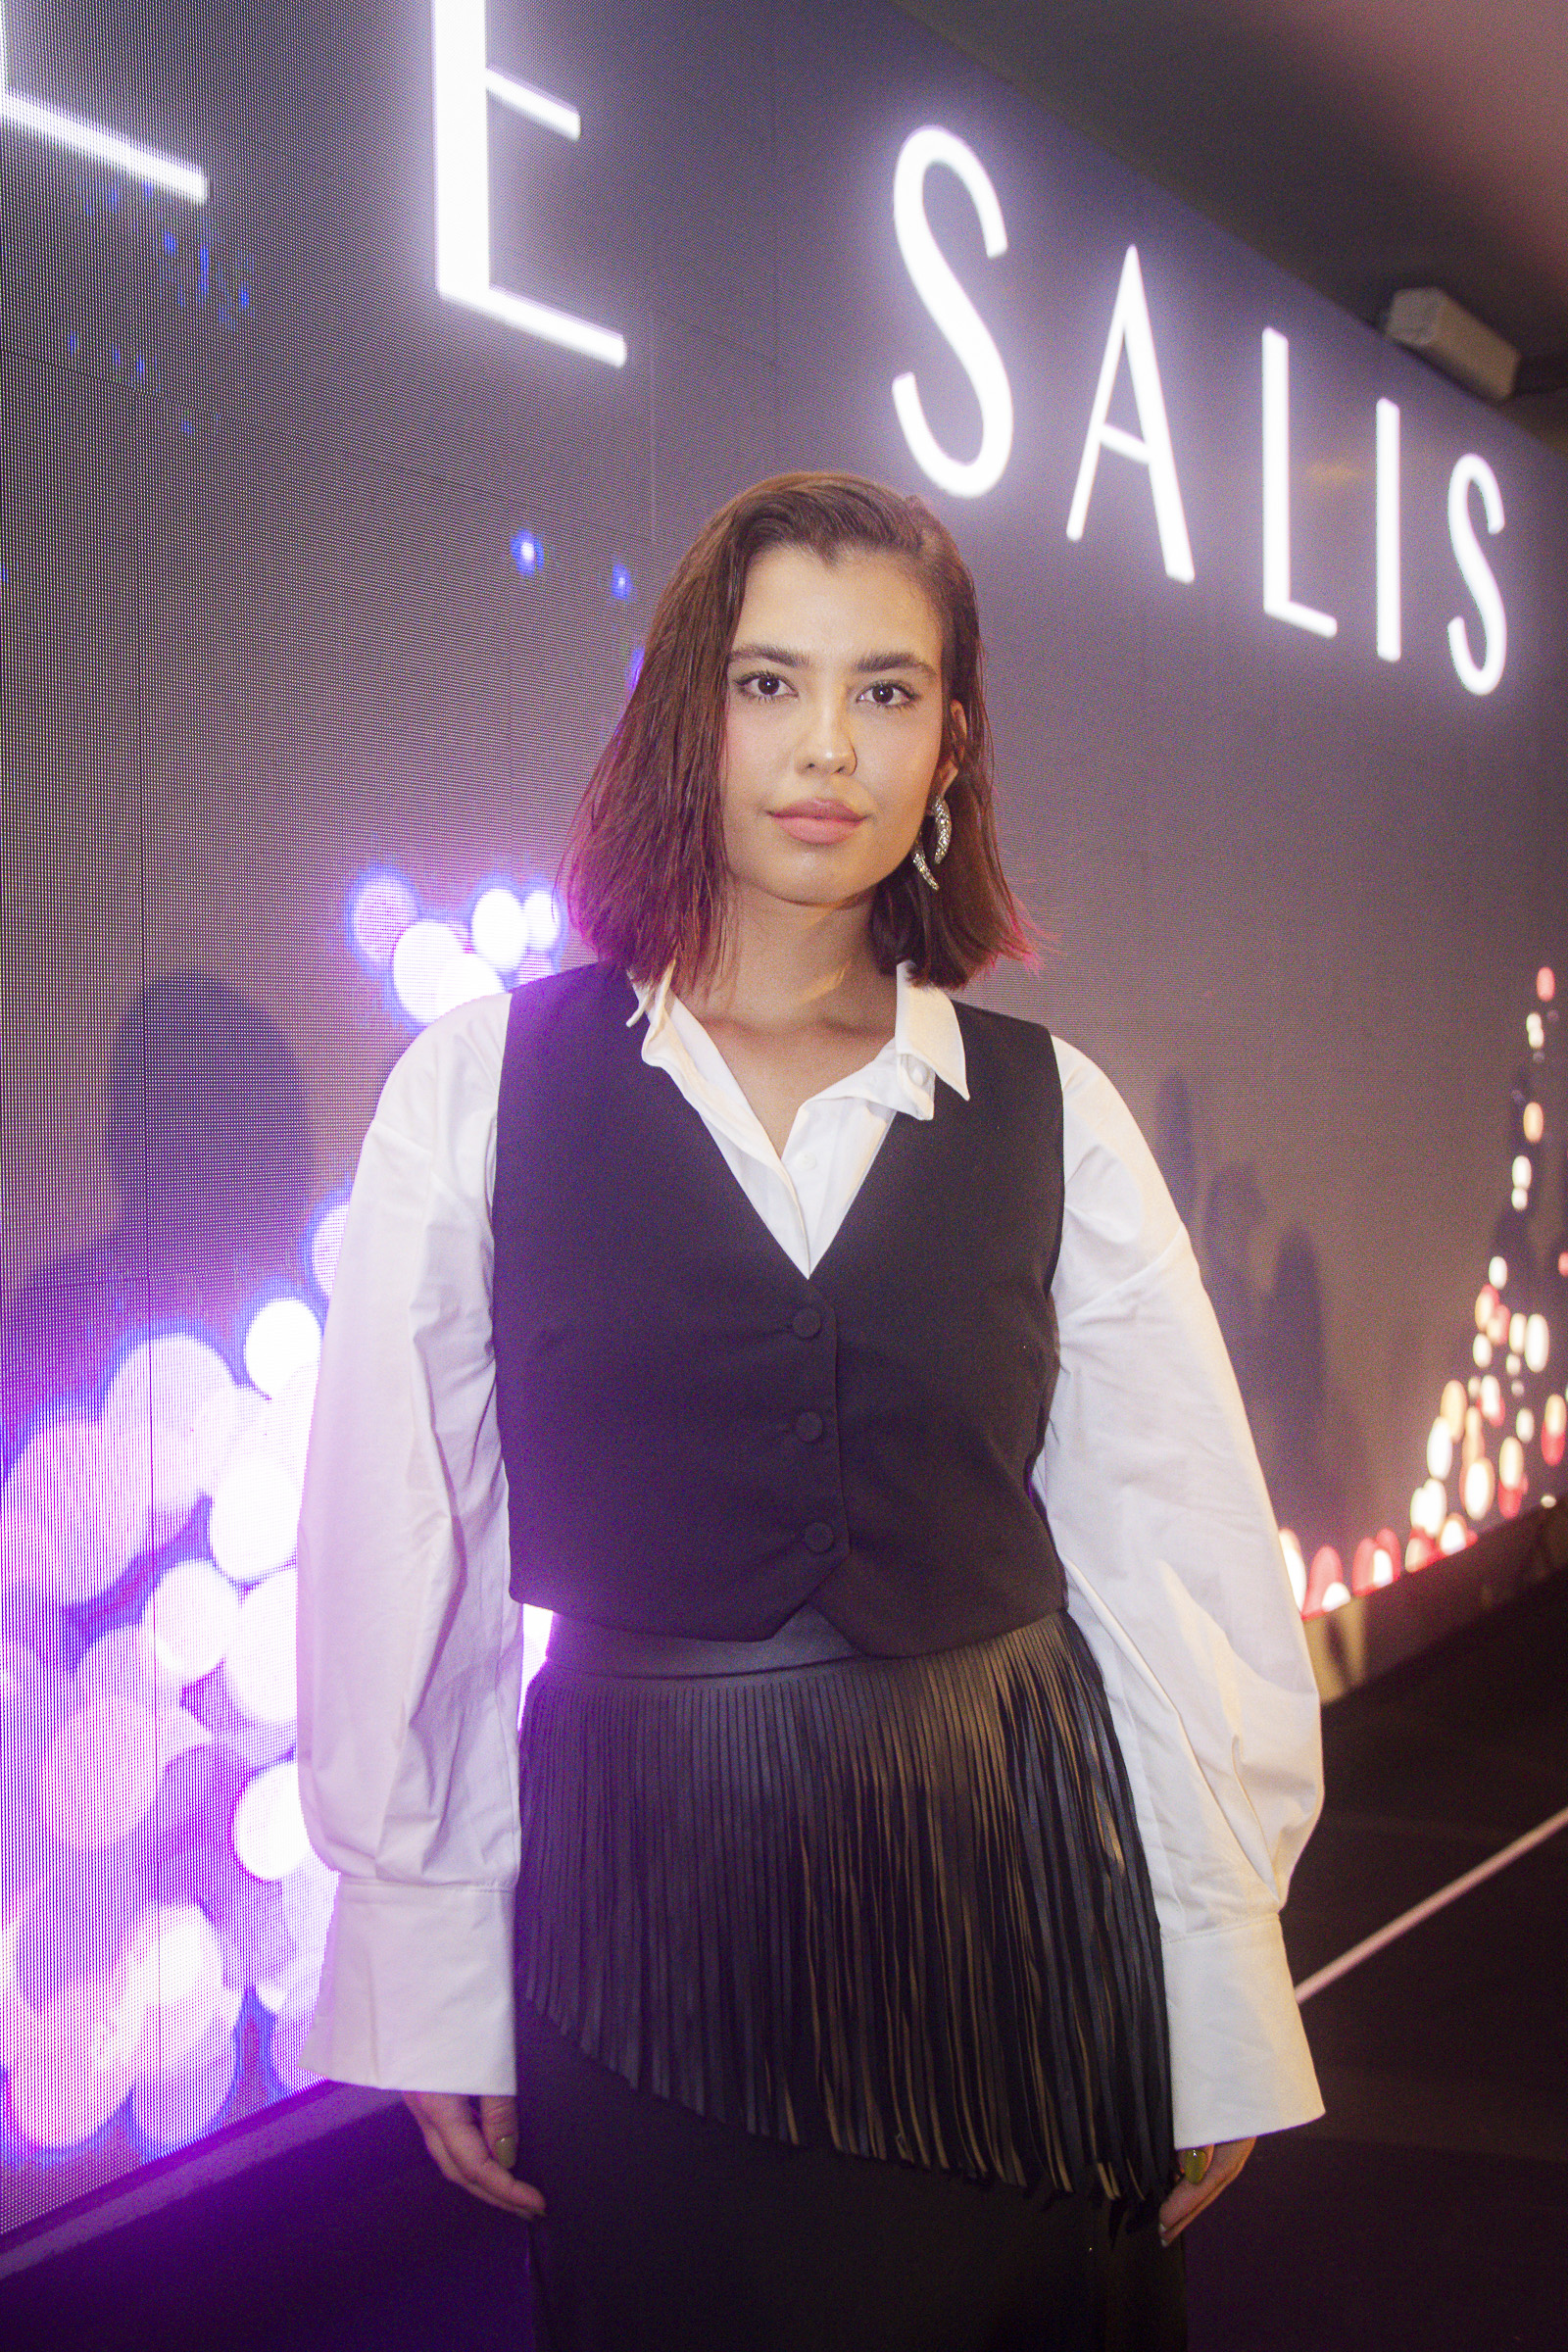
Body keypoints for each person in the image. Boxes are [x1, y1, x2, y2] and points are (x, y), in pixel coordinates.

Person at [297, 473, 1323, 2349]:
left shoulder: (1056, 1116)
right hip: (640, 1922)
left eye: (887, 690)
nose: (827, 747)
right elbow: (404, 1540)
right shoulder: (478, 1090)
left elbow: (1168, 1561)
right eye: (770, 682)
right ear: (686, 712)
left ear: (954, 745)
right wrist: (428, 1958)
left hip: (1013, 1913)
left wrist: (1216, 1983)